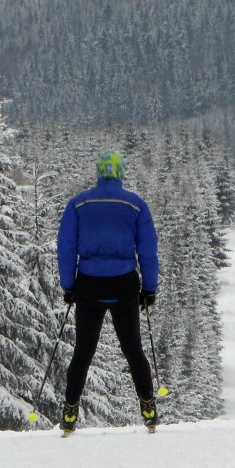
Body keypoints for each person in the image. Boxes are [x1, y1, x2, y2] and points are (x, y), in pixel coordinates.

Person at [56, 150, 159, 434]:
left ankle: (69, 415)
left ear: (99, 172)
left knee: (83, 351)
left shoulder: (78, 204)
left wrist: (69, 285)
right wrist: (149, 288)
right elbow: (148, 250)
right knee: (133, 350)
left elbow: (66, 247)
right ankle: (148, 409)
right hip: (125, 284)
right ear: (121, 172)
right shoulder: (135, 205)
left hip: (89, 284)